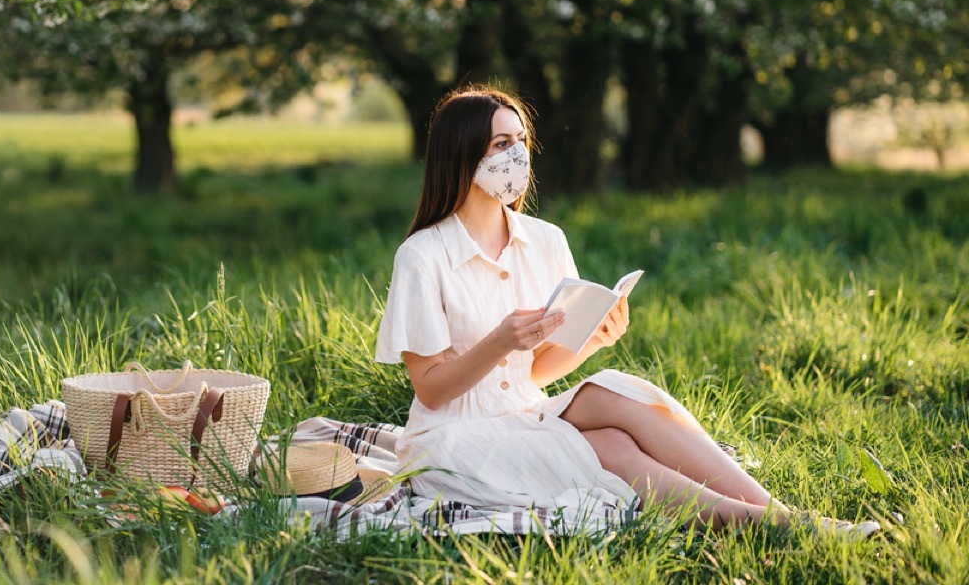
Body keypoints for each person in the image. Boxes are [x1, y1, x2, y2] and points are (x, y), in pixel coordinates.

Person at [375, 84, 879, 536]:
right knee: (609, 450)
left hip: (524, 412)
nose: (517, 156)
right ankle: (779, 527)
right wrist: (500, 341)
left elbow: (537, 371)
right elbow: (432, 390)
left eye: (521, 141)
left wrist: (593, 338)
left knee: (613, 386)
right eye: (501, 145)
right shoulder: (423, 255)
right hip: (451, 439)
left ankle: (779, 512)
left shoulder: (545, 240)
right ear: (462, 155)